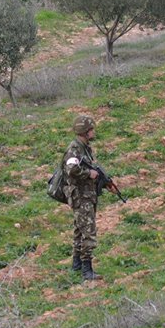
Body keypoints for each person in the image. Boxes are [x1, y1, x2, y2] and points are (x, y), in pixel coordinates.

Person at [63, 114, 103, 281]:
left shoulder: (84, 148)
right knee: (88, 232)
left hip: (87, 195)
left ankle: (76, 264)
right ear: (84, 132)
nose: (93, 132)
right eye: (91, 129)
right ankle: (87, 269)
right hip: (81, 196)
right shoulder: (75, 149)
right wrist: (89, 173)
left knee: (80, 230)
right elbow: (71, 169)